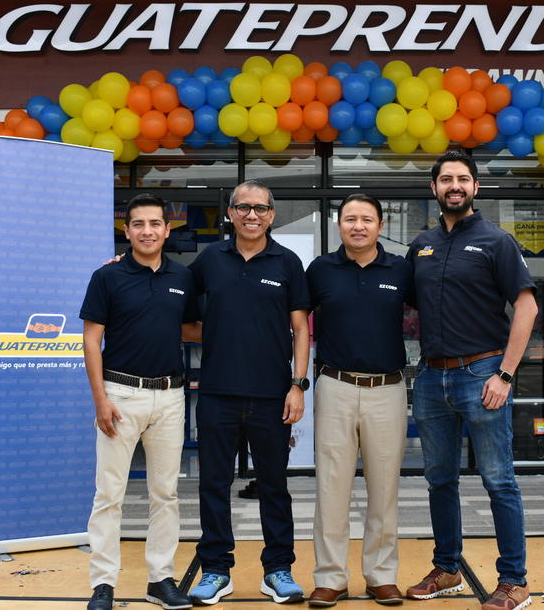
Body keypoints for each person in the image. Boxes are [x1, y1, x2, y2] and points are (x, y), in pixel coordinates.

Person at [405, 152, 538, 610]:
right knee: (439, 480)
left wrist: (505, 373)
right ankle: (447, 569)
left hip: (483, 375)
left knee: (499, 480)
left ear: (476, 188)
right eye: (446, 179)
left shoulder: (497, 242)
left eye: (463, 178)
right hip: (431, 379)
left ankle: (514, 581)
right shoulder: (420, 244)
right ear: (434, 189)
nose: (454, 185)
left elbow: (527, 307)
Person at [187, 180, 310, 606]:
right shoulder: (209, 262)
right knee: (213, 485)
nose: (252, 215)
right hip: (218, 393)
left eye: (260, 208)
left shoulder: (288, 263)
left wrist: (297, 385)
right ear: (231, 214)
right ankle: (216, 571)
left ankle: (278, 570)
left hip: (272, 395)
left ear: (272, 215)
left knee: (274, 486)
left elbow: (301, 330)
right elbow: (179, 316)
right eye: (243, 208)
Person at [80, 193, 199, 610]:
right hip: (120, 394)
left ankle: (160, 579)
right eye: (138, 225)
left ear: (168, 229)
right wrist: (100, 400)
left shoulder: (183, 278)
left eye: (155, 224)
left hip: (170, 397)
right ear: (126, 230)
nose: (147, 231)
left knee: (165, 494)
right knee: (108, 494)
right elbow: (91, 340)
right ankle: (103, 584)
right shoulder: (107, 277)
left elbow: (195, 329)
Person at [305, 194, 413, 607]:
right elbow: (294, 318)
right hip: (335, 385)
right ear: (339, 225)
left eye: (366, 219)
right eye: (350, 219)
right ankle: (330, 577)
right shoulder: (320, 270)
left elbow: (439, 303)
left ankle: (380, 575)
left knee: (384, 488)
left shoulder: (402, 270)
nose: (358, 226)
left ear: (381, 226)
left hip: (388, 388)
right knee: (332, 487)